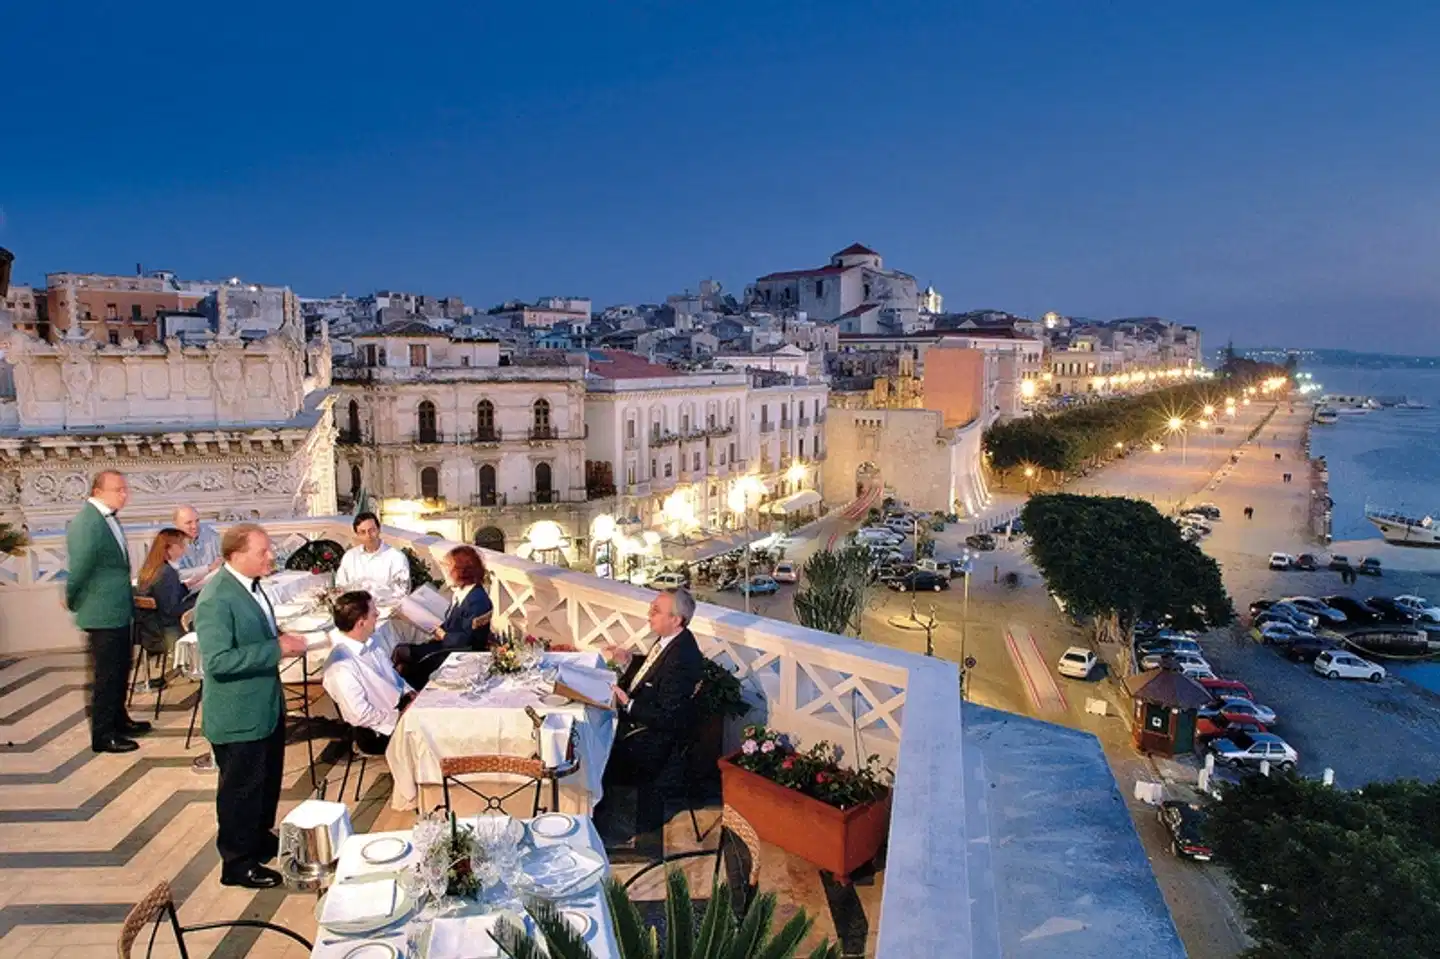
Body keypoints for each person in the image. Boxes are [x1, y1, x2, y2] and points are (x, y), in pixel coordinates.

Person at [195, 523, 309, 889]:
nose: (271, 555)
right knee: (240, 792)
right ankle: (237, 864)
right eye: (262, 551)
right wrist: (277, 649)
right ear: (236, 555)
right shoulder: (216, 598)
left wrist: (277, 638)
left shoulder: (252, 587)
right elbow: (217, 661)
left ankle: (259, 840)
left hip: (265, 708)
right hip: (238, 714)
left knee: (266, 783)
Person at [66, 470, 150, 754]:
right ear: (98, 491)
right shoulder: (87, 522)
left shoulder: (108, 518)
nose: (124, 494)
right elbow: (79, 569)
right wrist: (72, 599)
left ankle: (119, 719)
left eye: (125, 489)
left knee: (120, 667)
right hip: (101, 610)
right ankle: (103, 735)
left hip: (117, 608)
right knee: (106, 674)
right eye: (118, 489)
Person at [601, 588, 704, 786]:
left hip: (654, 739)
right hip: (644, 721)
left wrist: (628, 703)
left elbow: (668, 718)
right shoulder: (670, 639)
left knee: (591, 739)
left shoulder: (681, 657)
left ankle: (594, 802)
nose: (649, 615)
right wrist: (627, 660)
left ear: (676, 620)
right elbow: (653, 669)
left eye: (655, 611)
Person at [322, 590, 415, 753]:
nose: (378, 614)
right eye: (373, 612)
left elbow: (394, 678)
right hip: (377, 732)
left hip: (399, 709)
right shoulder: (341, 667)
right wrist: (399, 717)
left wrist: (411, 693)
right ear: (361, 622)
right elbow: (359, 715)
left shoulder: (371, 643)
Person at [392, 545, 495, 688]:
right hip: (446, 647)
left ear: (463, 570)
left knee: (402, 655)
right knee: (401, 656)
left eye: (449, 567)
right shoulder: (463, 592)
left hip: (459, 655)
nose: (446, 572)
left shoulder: (477, 601)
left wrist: (443, 635)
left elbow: (468, 641)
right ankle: (401, 694)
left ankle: (404, 695)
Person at [135, 528, 192, 658]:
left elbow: (164, 598)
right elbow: (171, 610)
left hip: (149, 632)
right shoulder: (167, 573)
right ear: (168, 548)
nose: (185, 549)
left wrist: (186, 586)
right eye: (181, 545)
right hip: (167, 634)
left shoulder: (151, 569)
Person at [335, 512, 411, 596]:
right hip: (356, 607)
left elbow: (402, 591)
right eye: (363, 532)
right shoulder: (350, 557)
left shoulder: (396, 557)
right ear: (357, 535)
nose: (368, 535)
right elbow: (340, 587)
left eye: (372, 530)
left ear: (379, 530)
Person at [173, 505, 223, 592]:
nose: (194, 526)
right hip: (185, 593)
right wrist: (208, 568)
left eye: (197, 521)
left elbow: (222, 563)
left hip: (214, 589)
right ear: (176, 524)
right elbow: (176, 574)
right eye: (188, 522)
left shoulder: (211, 535)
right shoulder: (171, 543)